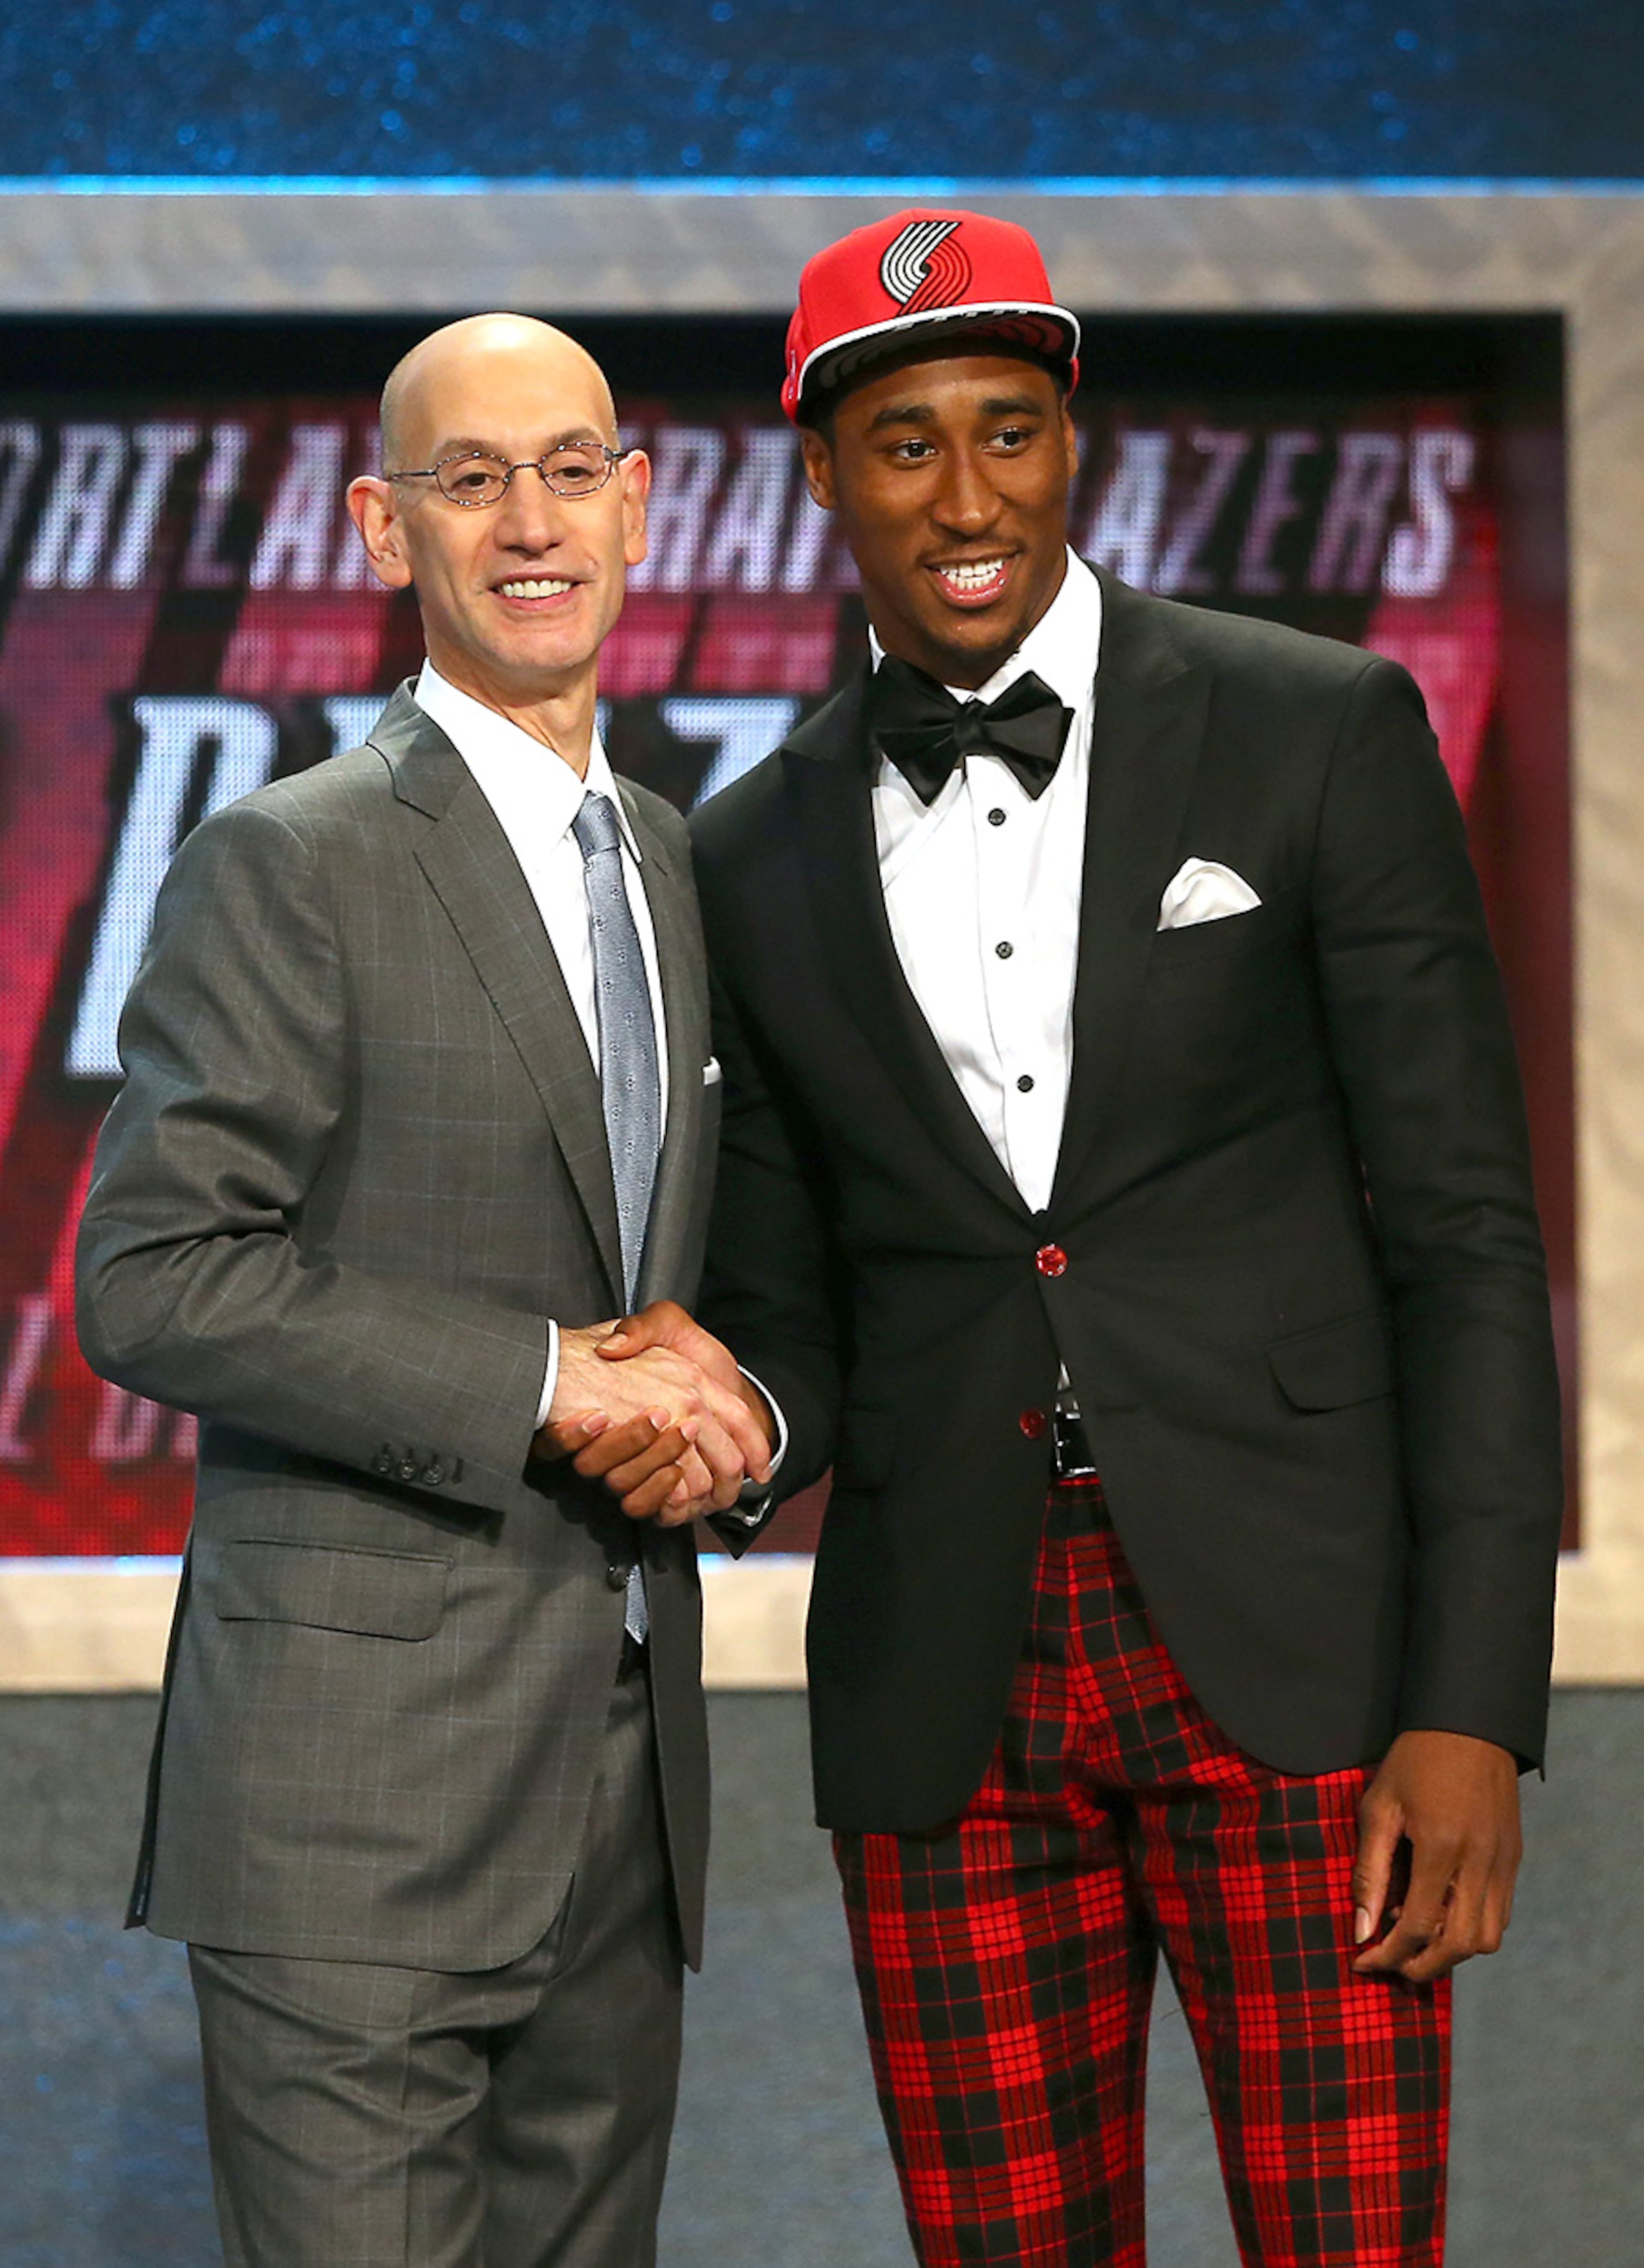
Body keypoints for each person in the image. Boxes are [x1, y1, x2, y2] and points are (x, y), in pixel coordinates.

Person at [614, 211, 1565, 2266]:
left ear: (1075, 442)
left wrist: (1476, 1699)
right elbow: (794, 1300)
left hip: (1303, 1658)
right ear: (822, 474)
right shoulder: (746, 849)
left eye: (1011, 432)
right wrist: (723, 1420)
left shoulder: (1317, 724)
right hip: (946, 1680)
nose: (968, 498)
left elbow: (1470, 1236)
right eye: (907, 445)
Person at [74, 312, 774, 2268]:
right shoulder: (287, 858)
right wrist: (550, 1379)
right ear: (386, 530)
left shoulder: (676, 861)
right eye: (471, 480)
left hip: (622, 1801)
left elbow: (681, 1284)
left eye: (570, 470)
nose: (530, 521)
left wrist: (726, 1418)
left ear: (639, 506)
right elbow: (156, 1273)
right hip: (352, 1808)